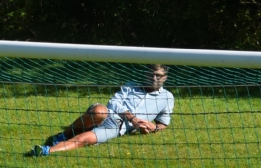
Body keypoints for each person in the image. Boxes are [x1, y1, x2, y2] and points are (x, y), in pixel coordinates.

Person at [26, 64, 174, 157]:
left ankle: (46, 150)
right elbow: (113, 103)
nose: (153, 78)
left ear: (165, 77)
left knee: (85, 139)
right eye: (150, 74)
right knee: (99, 112)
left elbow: (164, 123)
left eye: (158, 75)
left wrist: (154, 128)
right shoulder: (131, 86)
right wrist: (131, 117)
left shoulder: (167, 97)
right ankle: (62, 135)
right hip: (108, 113)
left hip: (117, 127)